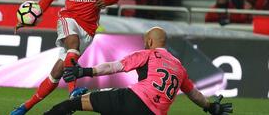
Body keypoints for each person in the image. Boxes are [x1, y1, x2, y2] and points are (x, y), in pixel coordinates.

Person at [11, 0, 120, 115]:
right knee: (73, 45)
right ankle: (73, 92)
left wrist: (106, 1)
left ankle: (24, 107)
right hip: (68, 18)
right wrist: (26, 20)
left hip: (89, 27)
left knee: (56, 73)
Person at [44, 27, 233, 115]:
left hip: (133, 100)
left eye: (145, 40)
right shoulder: (179, 67)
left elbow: (113, 67)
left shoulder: (148, 54)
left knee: (73, 103)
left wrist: (83, 72)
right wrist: (210, 107)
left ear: (150, 42)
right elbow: (194, 94)